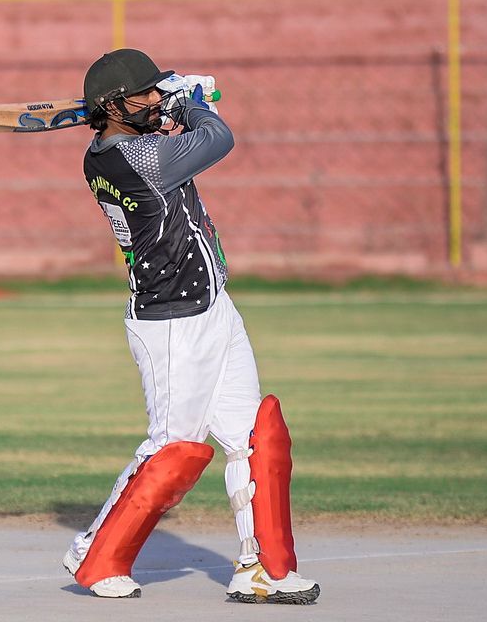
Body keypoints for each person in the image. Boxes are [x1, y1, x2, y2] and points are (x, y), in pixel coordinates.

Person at [61, 48, 320, 605]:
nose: (156, 98)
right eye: (146, 93)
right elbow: (218, 139)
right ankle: (93, 552)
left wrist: (175, 108)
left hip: (212, 306)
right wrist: (193, 103)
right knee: (173, 449)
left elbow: (178, 139)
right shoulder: (135, 159)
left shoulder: (126, 148)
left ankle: (261, 568)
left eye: (159, 90)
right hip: (171, 322)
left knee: (256, 438)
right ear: (114, 106)